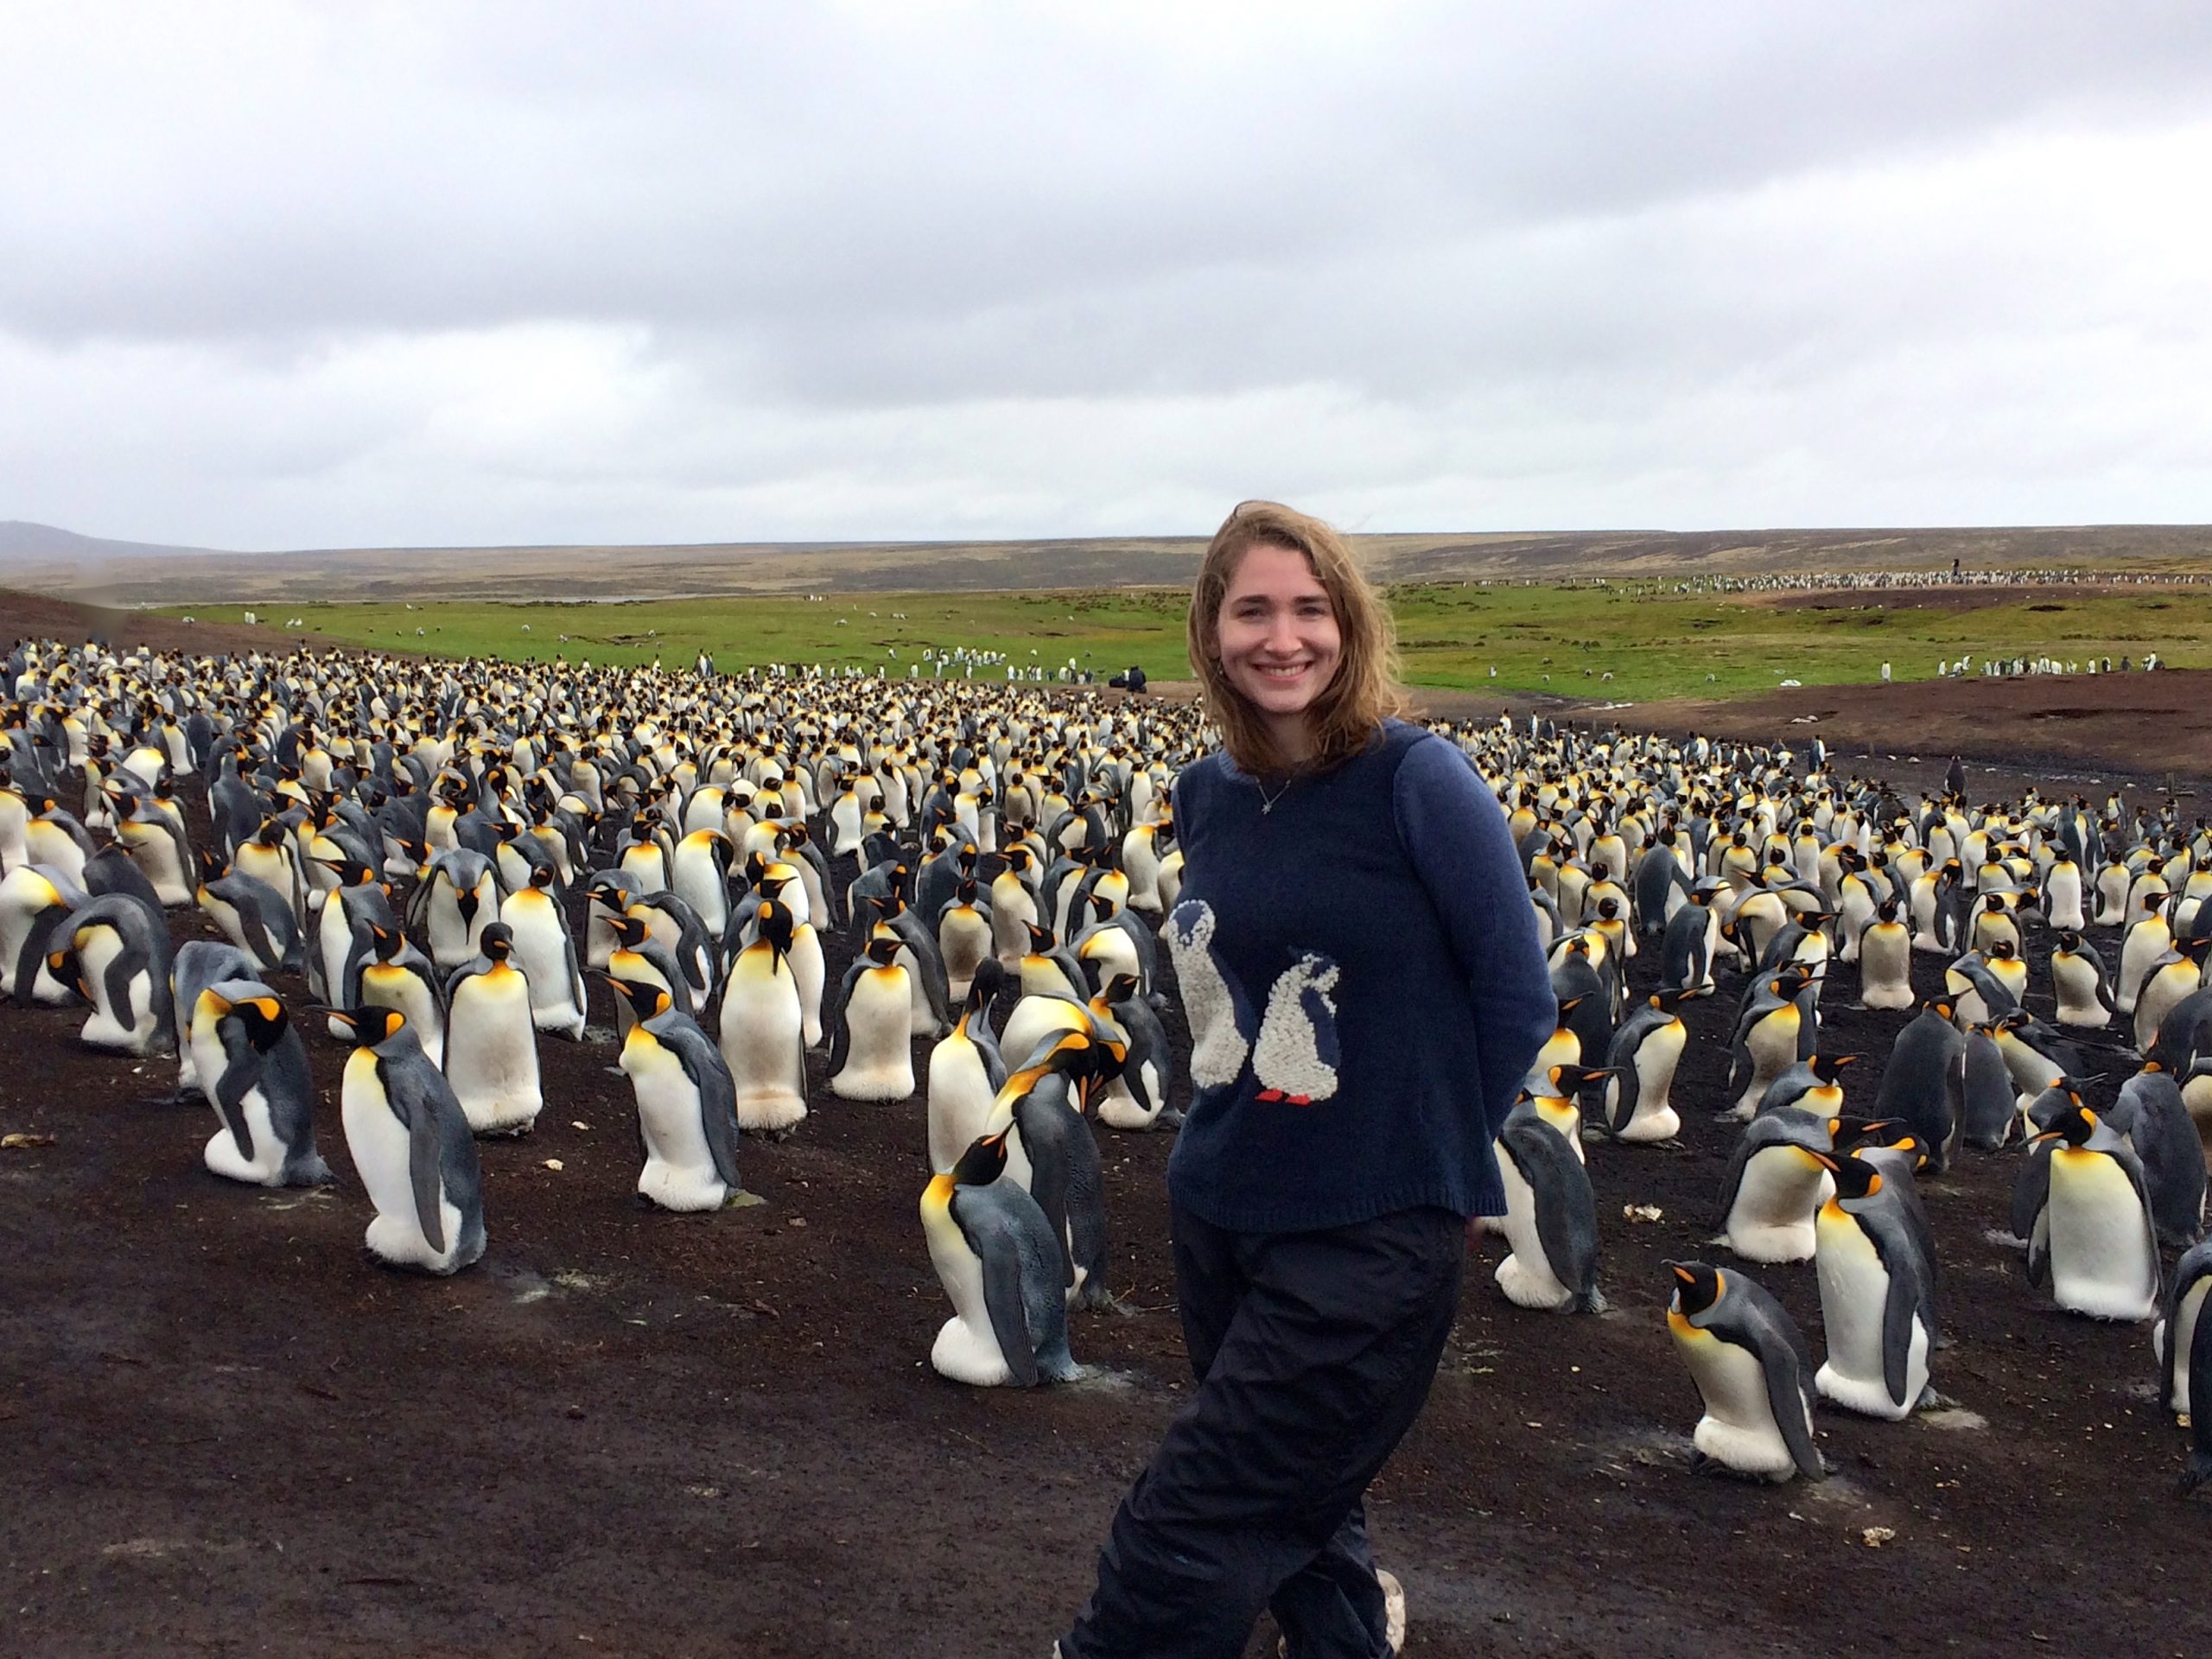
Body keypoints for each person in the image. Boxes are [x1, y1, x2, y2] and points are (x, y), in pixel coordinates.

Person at [1057, 502, 1556, 1659]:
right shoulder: (1208, 793)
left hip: (1371, 1238)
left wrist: (1441, 1169)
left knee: (1181, 1534)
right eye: (1253, 612)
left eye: (1309, 609)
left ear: (1349, 622)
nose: (1283, 638)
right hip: (1225, 1213)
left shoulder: (1416, 780)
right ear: (1212, 632)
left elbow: (1518, 993)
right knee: (1304, 1522)